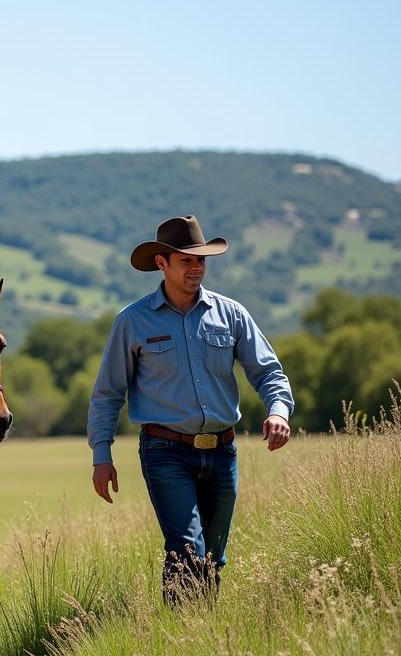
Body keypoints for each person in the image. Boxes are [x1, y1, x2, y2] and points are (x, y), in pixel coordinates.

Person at [87, 215, 294, 602]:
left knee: (213, 559)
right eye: (186, 260)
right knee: (186, 552)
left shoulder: (231, 314)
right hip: (165, 452)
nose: (196, 267)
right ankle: (181, 636)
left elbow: (269, 372)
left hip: (223, 452)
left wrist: (278, 411)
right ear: (161, 263)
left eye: (201, 260)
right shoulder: (131, 321)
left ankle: (200, 641)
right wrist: (102, 455)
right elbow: (107, 394)